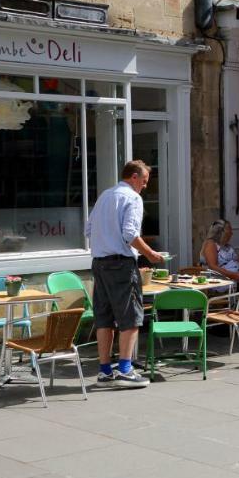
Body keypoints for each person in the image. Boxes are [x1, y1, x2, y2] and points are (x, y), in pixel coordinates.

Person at [86, 160, 163, 388]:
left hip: (99, 264)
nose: (145, 186)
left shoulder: (105, 196)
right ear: (134, 177)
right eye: (145, 181)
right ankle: (125, 370)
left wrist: (106, 241)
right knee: (130, 319)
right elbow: (130, 233)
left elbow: (88, 230)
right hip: (121, 264)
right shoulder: (132, 198)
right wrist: (150, 254)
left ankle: (104, 371)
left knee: (104, 319)